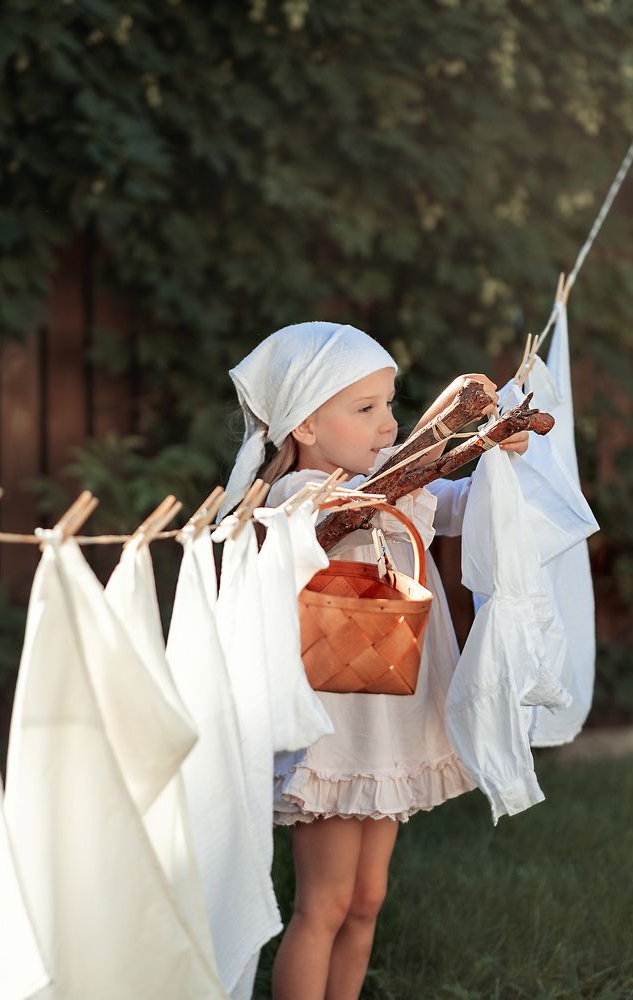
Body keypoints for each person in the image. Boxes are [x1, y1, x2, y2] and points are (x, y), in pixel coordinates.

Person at [219, 322, 529, 1000]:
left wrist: (495, 458)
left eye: (391, 404)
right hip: (334, 727)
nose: (388, 424)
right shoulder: (290, 498)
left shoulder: (390, 479)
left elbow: (452, 508)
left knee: (367, 899)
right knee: (324, 904)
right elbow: (302, 532)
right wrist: (383, 486)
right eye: (366, 409)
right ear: (304, 423)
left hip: (388, 712)